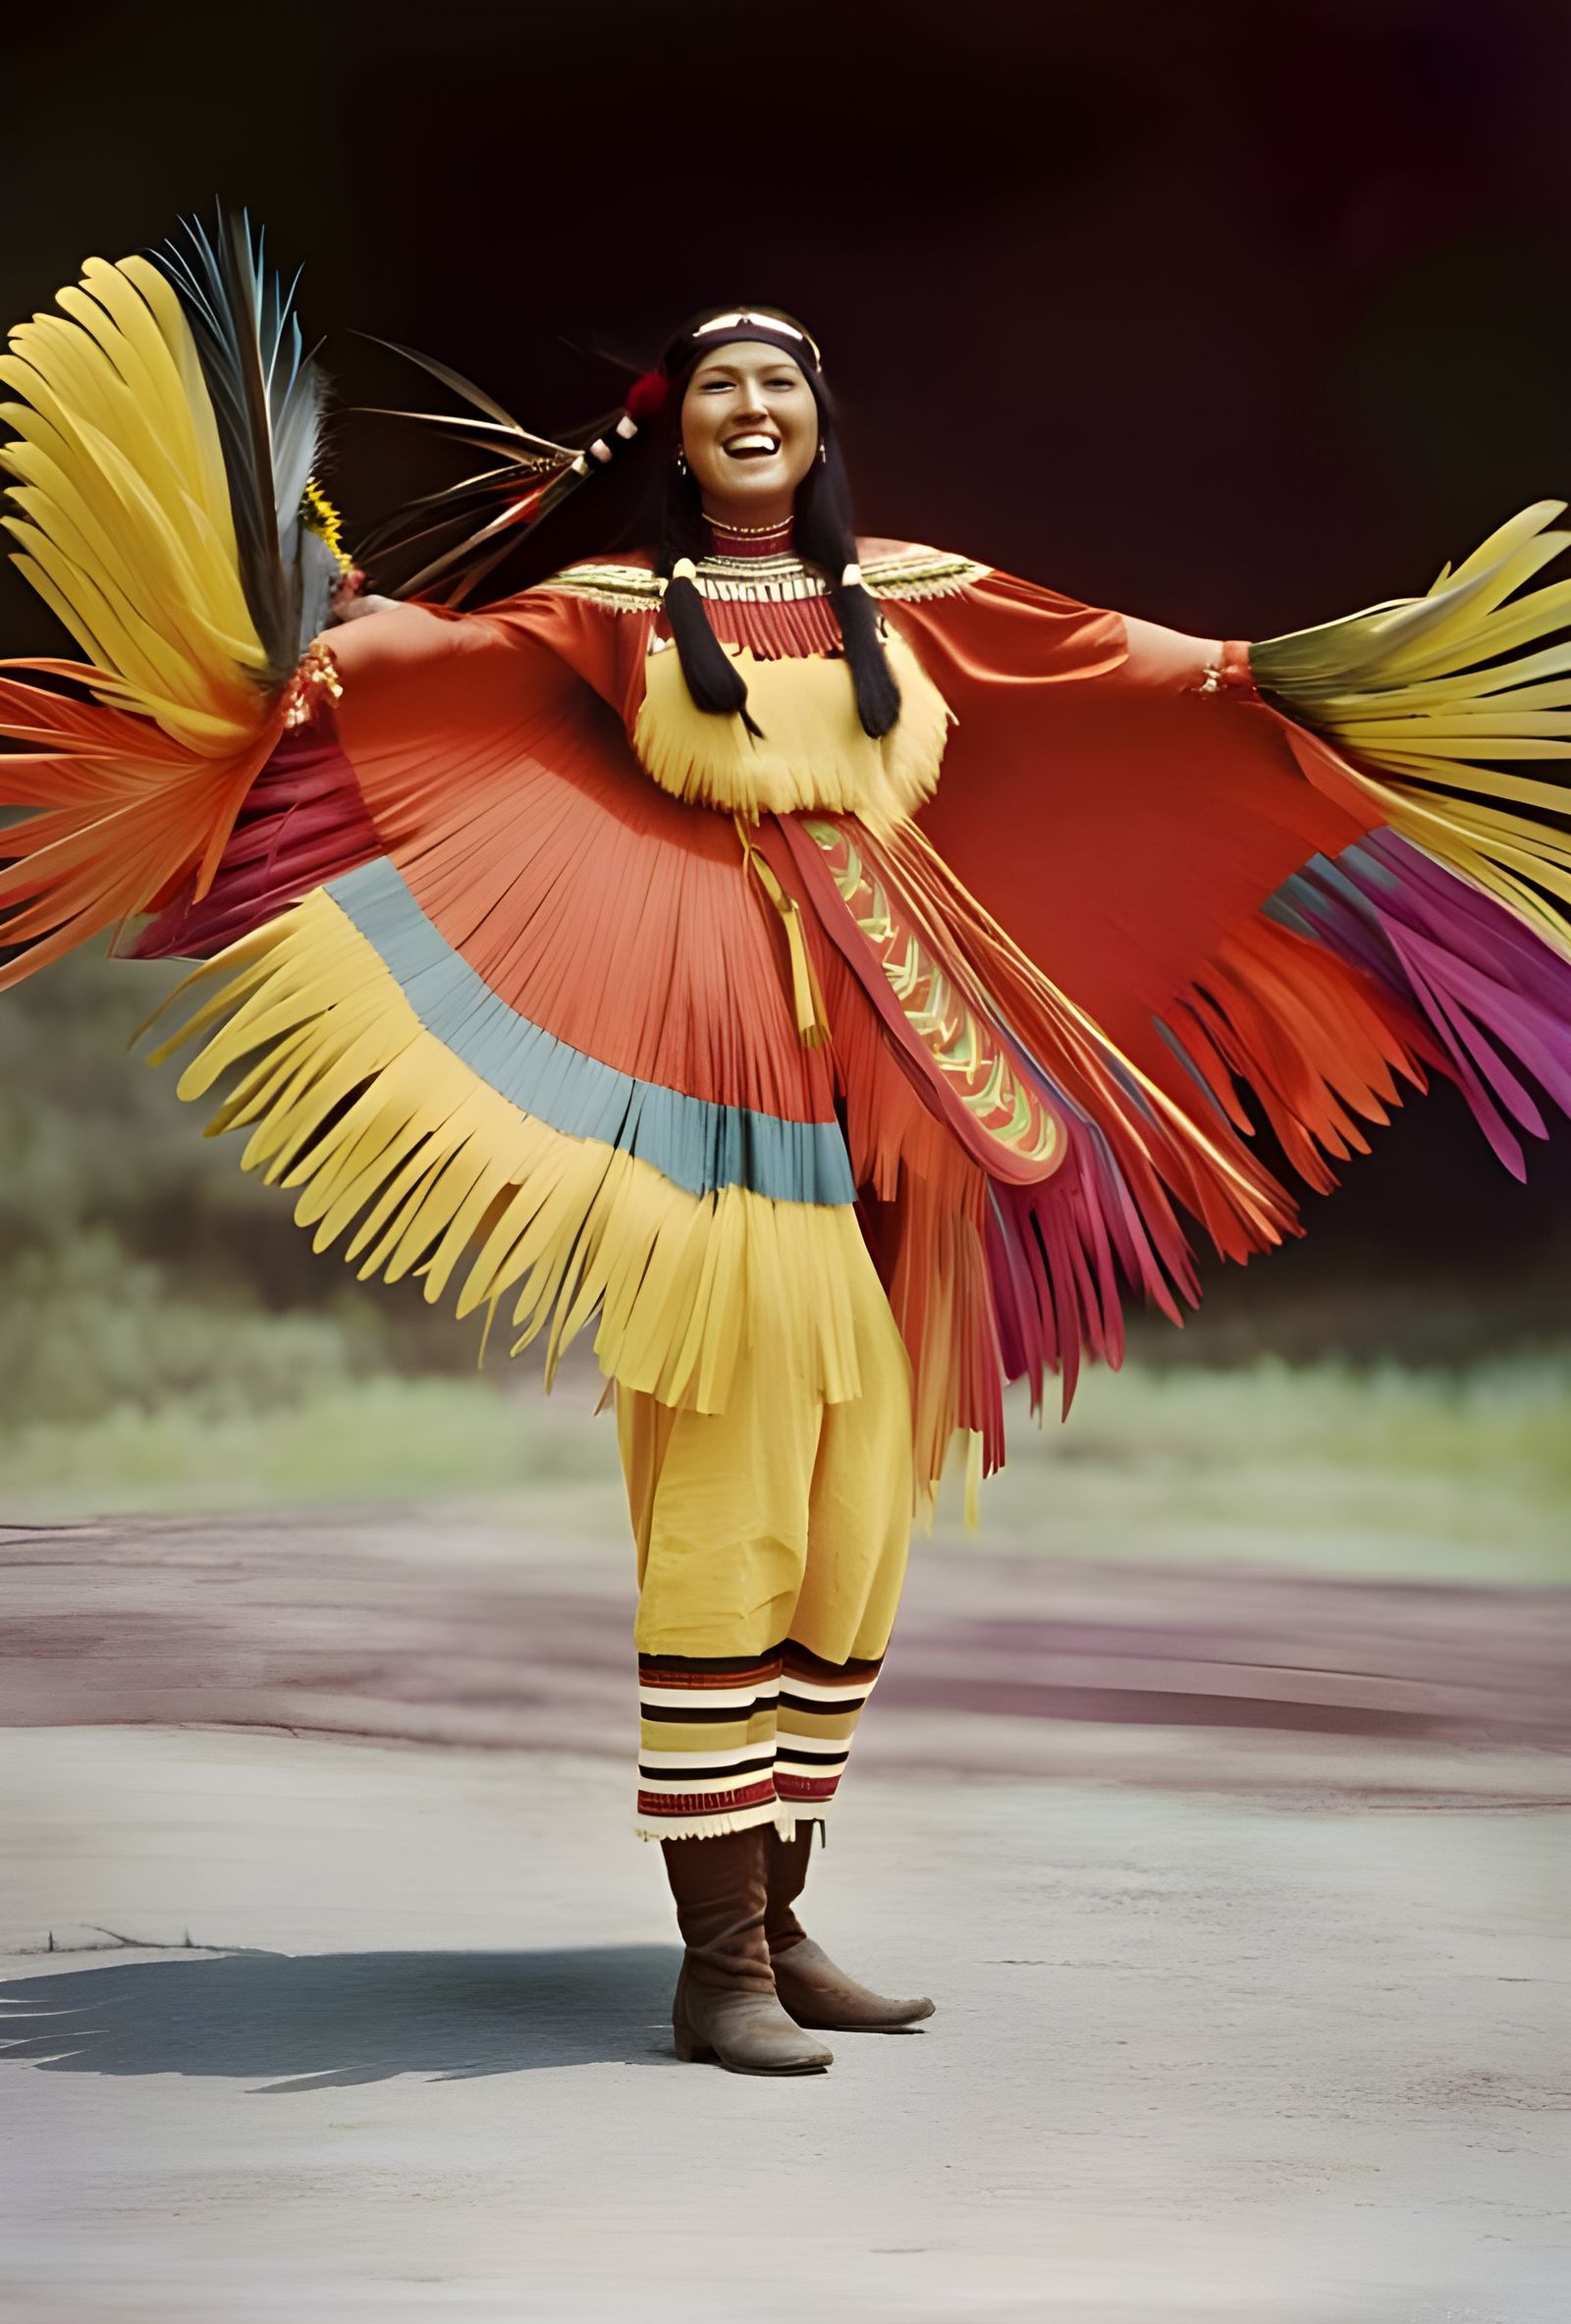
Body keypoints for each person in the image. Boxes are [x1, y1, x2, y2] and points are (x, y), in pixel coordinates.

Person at [5, 223, 1571, 2076]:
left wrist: (1275, 680)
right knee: (732, 1516)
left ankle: (787, 1915)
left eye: (786, 384)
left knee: (855, 1535)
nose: (757, 407)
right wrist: (308, 626)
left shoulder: (912, 596)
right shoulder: (607, 613)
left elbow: (1105, 667)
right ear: (685, 437)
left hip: (892, 1132)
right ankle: (717, 1962)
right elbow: (432, 668)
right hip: (713, 1135)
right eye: (726, 386)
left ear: (823, 427)